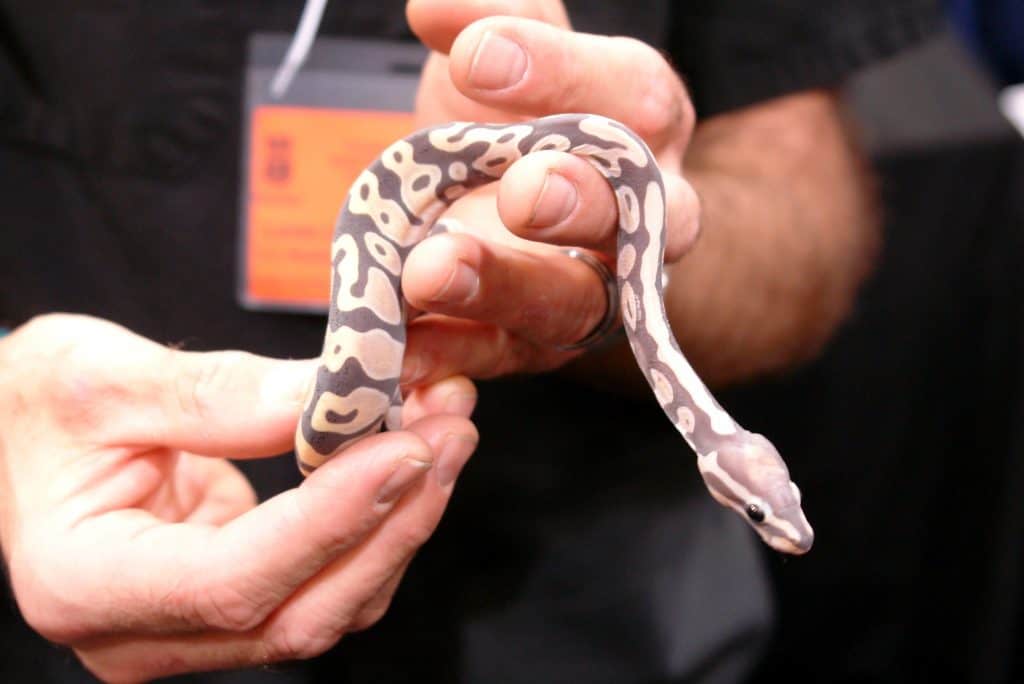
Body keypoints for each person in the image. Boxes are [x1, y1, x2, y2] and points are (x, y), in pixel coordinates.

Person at [0, 1, 940, 682]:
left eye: (768, 511)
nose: (783, 525)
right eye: (771, 511)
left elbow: (805, 203)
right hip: (94, 573)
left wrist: (612, 255)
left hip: (602, 626)